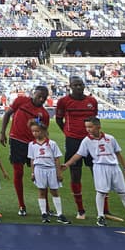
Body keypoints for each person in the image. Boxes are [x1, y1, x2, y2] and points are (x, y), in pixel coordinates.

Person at [62, 117, 125, 228]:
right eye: (86, 127)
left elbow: (118, 154)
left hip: (114, 168)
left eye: (90, 127)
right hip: (100, 167)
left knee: (123, 193)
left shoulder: (110, 138)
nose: (88, 129)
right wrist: (67, 164)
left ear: (98, 126)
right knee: (101, 192)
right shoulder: (86, 140)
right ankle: (100, 217)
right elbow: (78, 154)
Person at [0, 85, 50, 217]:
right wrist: (2, 132)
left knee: (40, 173)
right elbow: (7, 114)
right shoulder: (21, 101)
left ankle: (46, 206)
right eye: (39, 96)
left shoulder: (44, 114)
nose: (41, 99)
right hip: (17, 141)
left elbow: (44, 132)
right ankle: (21, 205)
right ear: (34, 93)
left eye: (44, 98)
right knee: (18, 172)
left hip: (34, 144)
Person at [55, 76, 101, 219]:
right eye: (75, 85)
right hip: (73, 141)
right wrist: (67, 133)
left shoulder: (92, 101)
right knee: (75, 174)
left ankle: (103, 210)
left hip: (91, 141)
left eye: (81, 84)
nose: (79, 87)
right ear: (70, 86)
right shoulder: (63, 101)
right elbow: (58, 119)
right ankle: (80, 210)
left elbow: (94, 120)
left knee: (98, 173)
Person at [28, 121, 70, 224]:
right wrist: (32, 173)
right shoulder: (32, 144)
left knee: (54, 191)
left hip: (51, 169)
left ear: (43, 131)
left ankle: (60, 214)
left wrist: (59, 173)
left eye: (37, 131)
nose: (35, 133)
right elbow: (32, 160)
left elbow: (56, 159)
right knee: (41, 191)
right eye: (33, 131)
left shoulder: (52, 144)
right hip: (39, 169)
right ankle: (44, 213)